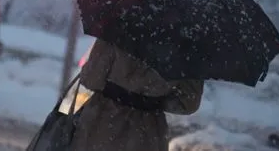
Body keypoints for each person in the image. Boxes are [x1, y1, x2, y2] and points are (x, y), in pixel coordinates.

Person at [71, 39, 204, 151]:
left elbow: (92, 78)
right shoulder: (188, 43)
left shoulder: (122, 23)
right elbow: (189, 103)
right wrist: (155, 100)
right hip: (149, 131)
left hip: (102, 121)